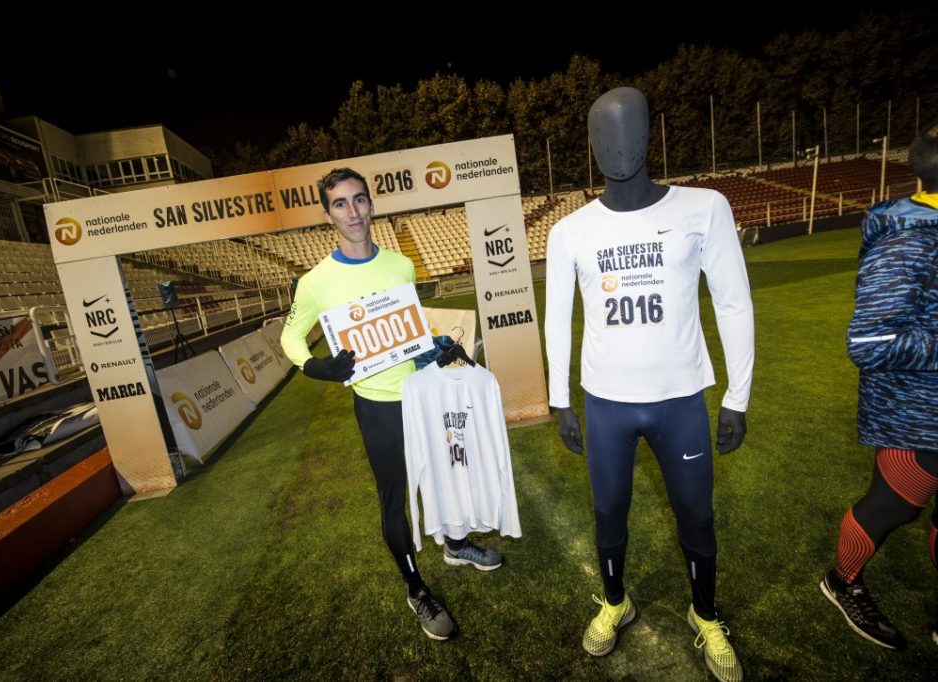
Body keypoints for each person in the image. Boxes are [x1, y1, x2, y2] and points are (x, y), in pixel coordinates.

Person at [544, 87, 754, 682]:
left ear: (648, 135)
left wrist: (737, 396)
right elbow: (557, 320)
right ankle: (616, 602)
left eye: (628, 131)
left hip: (680, 399)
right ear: (590, 144)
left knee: (696, 513)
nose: (618, 146)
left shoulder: (703, 208)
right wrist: (561, 401)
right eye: (603, 135)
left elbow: (733, 302)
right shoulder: (570, 232)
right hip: (606, 403)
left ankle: (705, 613)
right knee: (608, 511)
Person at [279, 167, 502, 641]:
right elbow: (290, 336)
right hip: (378, 407)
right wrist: (315, 366)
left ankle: (456, 544)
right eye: (340, 203)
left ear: (371, 204)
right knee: (395, 499)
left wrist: (439, 345)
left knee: (448, 477)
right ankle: (415, 588)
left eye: (359, 200)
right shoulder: (316, 281)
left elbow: (410, 333)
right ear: (327, 214)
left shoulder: (401, 265)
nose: (352, 211)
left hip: (424, 397)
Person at [820, 118, 938, 651]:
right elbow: (869, 343)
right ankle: (842, 582)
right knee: (892, 509)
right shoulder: (910, 237)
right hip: (916, 417)